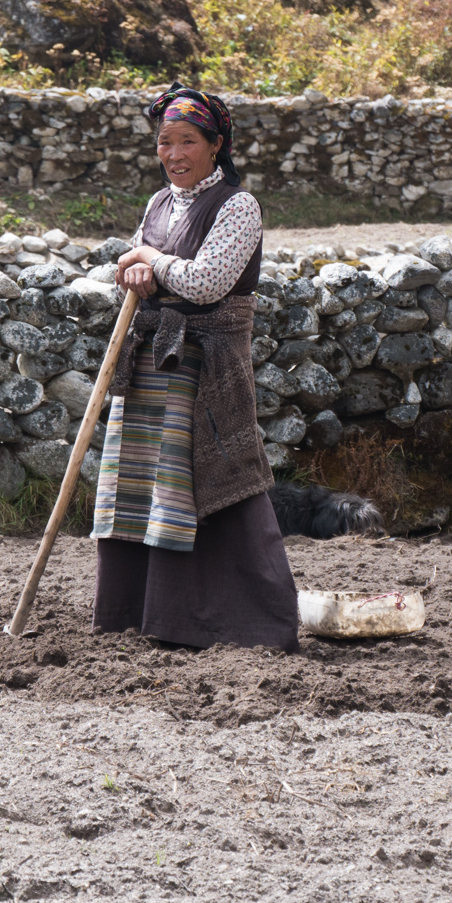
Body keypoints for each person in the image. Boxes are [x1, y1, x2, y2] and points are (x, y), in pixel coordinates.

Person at [90, 82, 299, 652]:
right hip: (153, 362)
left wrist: (148, 260)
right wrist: (135, 269)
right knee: (142, 486)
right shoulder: (160, 204)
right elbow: (134, 266)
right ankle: (141, 614)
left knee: (209, 480)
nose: (174, 154)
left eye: (187, 142)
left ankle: (240, 621)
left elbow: (206, 283)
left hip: (205, 369)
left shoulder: (237, 206)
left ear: (215, 145)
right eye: (165, 142)